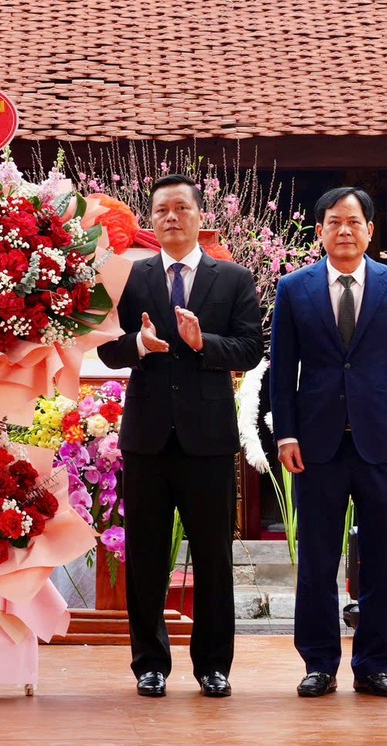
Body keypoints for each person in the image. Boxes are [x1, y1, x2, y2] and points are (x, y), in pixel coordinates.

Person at [100, 174, 264, 699]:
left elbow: (251, 348)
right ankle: (149, 663)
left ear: (199, 217)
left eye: (181, 209)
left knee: (214, 557)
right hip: (147, 437)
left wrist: (203, 341)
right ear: (151, 221)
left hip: (209, 441)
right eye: (161, 210)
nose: (171, 217)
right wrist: (139, 345)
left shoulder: (233, 278)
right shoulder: (130, 278)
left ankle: (214, 665)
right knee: (146, 556)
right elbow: (106, 349)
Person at [271, 186, 387, 698]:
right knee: (316, 560)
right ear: (319, 231)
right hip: (315, 445)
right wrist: (285, 432)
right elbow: (282, 368)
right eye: (334, 221)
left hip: (380, 443)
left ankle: (374, 664)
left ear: (370, 231)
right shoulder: (294, 288)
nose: (344, 230)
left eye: (354, 222)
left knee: (381, 559)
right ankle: (318, 663)